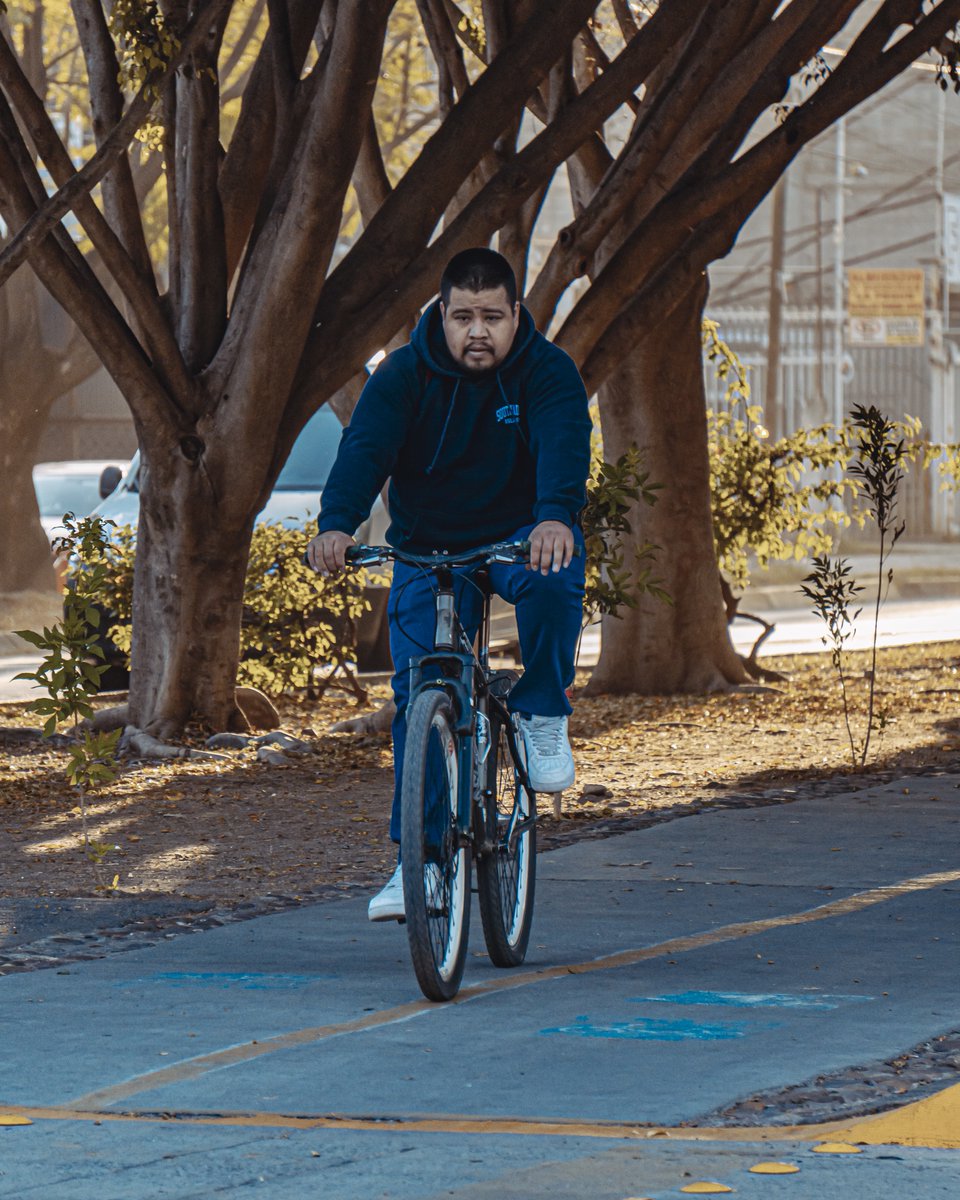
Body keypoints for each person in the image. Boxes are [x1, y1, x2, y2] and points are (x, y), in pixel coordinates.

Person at [305, 247, 591, 921]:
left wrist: (555, 517)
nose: (478, 331)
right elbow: (365, 450)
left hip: (519, 539)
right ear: (442, 313)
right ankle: (423, 867)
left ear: (516, 315)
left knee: (555, 580)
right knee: (422, 697)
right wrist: (336, 524)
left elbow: (563, 445)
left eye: (493, 316)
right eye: (463, 316)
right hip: (430, 551)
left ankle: (543, 712)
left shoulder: (547, 373)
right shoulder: (404, 374)